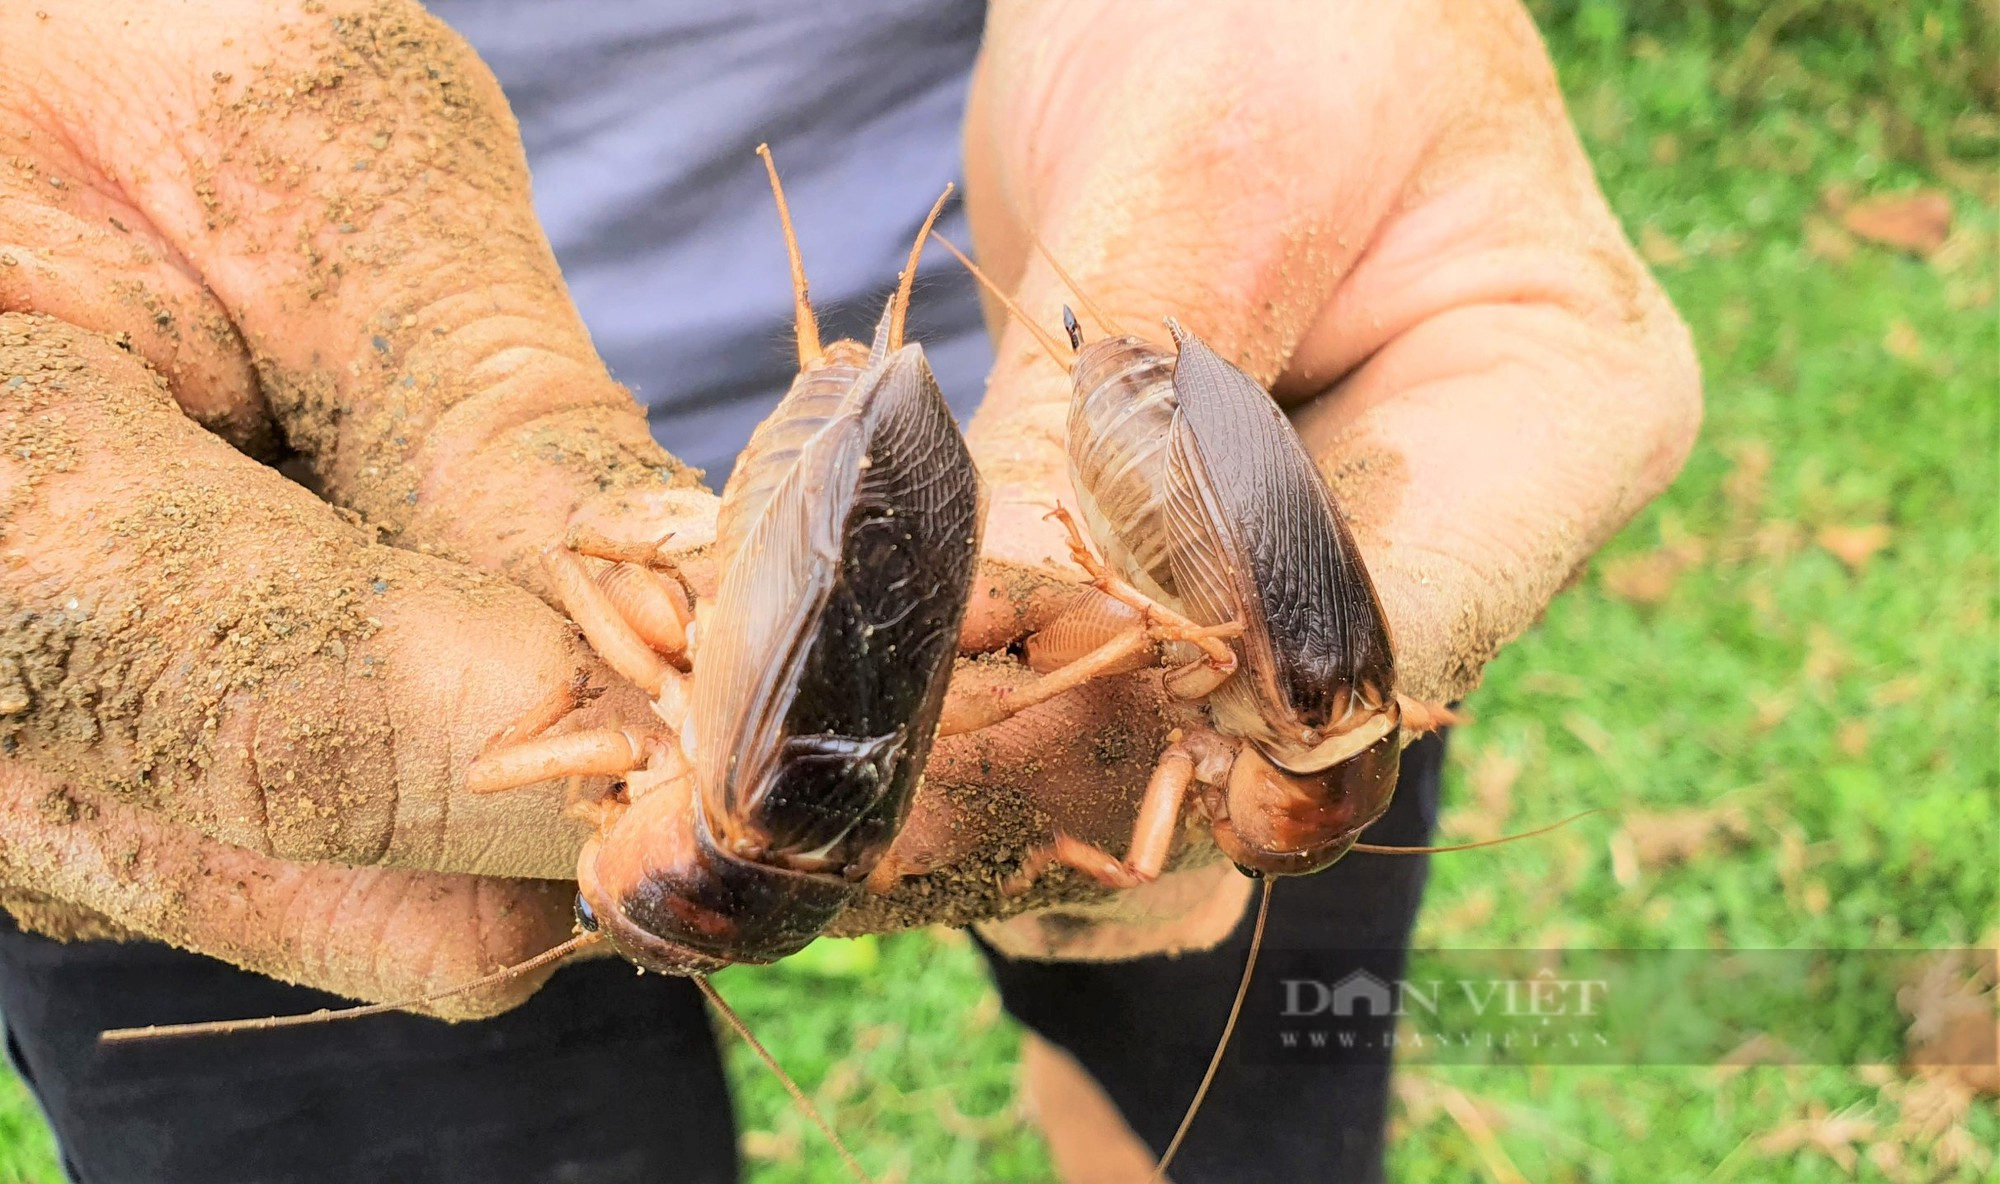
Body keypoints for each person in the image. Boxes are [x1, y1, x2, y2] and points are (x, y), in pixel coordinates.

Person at [0, 1, 1700, 1180]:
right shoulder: (1233, 712)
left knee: (1229, 1109)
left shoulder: (1232, 727)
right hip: (193, 433)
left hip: (1233, 301)